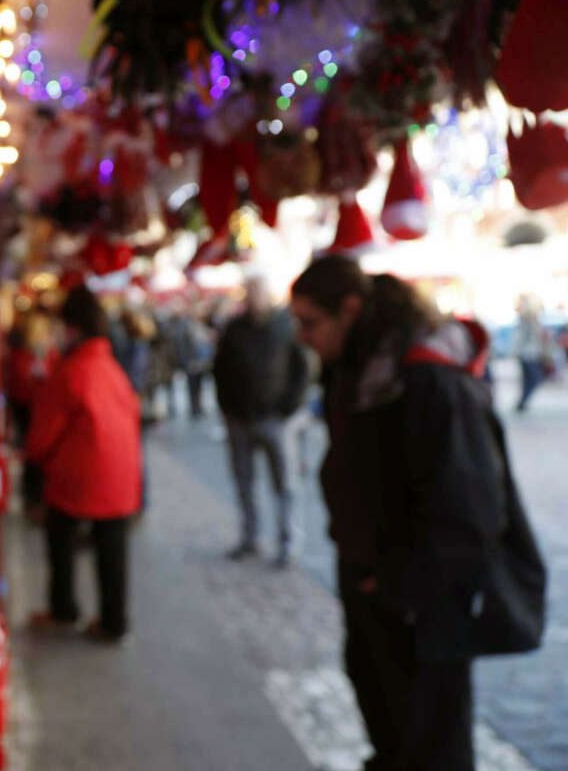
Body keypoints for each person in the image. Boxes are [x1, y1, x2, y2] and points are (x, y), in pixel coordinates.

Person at [290, 256, 545, 771]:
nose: (301, 336)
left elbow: (467, 508)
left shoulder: (424, 377)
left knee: (431, 743)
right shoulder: (356, 369)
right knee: (389, 725)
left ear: (350, 309)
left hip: (423, 607)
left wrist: (399, 585)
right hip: (376, 589)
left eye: (310, 322)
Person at [25, 285, 142, 642]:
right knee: (113, 551)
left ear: (71, 327)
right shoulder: (110, 367)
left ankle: (63, 610)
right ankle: (113, 622)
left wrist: (35, 465)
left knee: (59, 535)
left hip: (82, 476)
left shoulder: (71, 371)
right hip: (120, 476)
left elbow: (44, 434)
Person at [212, 276, 310, 567]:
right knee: (244, 482)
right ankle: (250, 537)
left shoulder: (285, 326)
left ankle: (288, 540)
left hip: (276, 419)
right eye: (250, 292)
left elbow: (302, 369)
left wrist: (288, 407)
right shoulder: (235, 329)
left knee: (285, 484)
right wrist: (228, 407)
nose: (254, 298)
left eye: (259, 292)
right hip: (240, 418)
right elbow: (220, 370)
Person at [5, 310, 59, 515]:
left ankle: (41, 497)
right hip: (27, 410)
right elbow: (18, 384)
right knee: (32, 454)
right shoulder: (20, 354)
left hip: (45, 410)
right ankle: (33, 499)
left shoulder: (50, 354)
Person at [513, 298, 552, 412]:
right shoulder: (527, 321)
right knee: (534, 378)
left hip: (528, 355)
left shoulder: (530, 321)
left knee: (529, 379)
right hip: (528, 355)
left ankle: (522, 402)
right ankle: (522, 402)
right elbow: (523, 339)